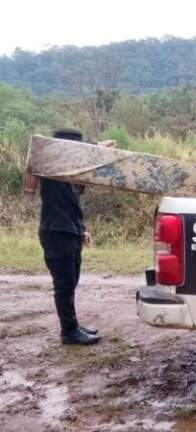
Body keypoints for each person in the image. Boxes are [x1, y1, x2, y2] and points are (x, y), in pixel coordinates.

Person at [39, 128, 102, 345]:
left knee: (71, 281)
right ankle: (69, 332)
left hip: (70, 231)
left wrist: (81, 229)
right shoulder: (51, 168)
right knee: (64, 284)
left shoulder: (72, 175)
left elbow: (72, 205)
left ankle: (72, 325)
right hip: (57, 232)